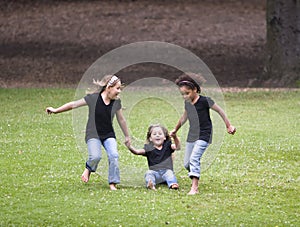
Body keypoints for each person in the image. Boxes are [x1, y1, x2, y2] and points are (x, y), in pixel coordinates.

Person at [46, 75, 130, 190]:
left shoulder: (116, 102)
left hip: (108, 134)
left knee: (114, 155)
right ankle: (88, 168)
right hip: (93, 134)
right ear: (108, 87)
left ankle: (113, 183)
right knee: (95, 157)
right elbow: (73, 104)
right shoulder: (93, 98)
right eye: (117, 88)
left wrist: (127, 136)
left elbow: (121, 120)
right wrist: (56, 110)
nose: (119, 91)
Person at [170, 73, 236, 195]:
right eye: (182, 94)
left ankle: (194, 187)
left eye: (187, 93)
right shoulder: (187, 103)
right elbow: (184, 118)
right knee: (187, 164)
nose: (185, 96)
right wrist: (175, 130)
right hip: (192, 135)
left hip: (204, 135)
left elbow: (220, 111)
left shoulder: (205, 101)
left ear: (195, 89)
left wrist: (229, 125)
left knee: (194, 159)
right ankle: (195, 171)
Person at [125, 124, 180, 190]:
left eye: (160, 134)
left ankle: (173, 184)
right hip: (155, 172)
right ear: (150, 138)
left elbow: (178, 147)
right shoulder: (149, 148)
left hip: (166, 171)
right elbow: (137, 152)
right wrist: (129, 146)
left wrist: (175, 137)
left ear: (165, 137)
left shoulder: (168, 146)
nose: (157, 135)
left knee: (170, 174)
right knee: (149, 173)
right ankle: (151, 184)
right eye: (154, 134)